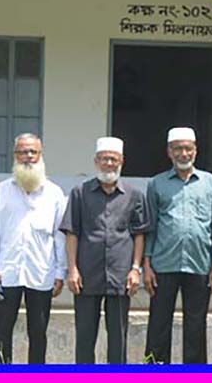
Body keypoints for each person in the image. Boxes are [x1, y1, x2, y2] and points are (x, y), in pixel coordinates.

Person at [60, 136, 149, 364]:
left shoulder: (134, 195)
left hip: (120, 276)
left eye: (113, 159)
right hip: (86, 275)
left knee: (118, 339)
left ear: (121, 161)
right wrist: (72, 269)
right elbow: (72, 232)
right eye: (104, 159)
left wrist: (135, 269)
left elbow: (139, 234)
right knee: (85, 337)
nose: (109, 163)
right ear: (96, 161)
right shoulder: (80, 193)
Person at [0, 133, 67, 364]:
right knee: (2, 332)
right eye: (23, 152)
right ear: (15, 155)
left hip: (42, 272)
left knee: (38, 334)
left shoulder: (54, 193)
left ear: (40, 155)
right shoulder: (0, 191)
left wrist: (60, 272)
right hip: (6, 273)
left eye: (33, 152)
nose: (28, 156)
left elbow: (59, 237)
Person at [143, 127, 212, 364]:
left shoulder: (210, 183)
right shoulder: (156, 183)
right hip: (163, 264)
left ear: (195, 150)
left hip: (199, 264)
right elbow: (151, 226)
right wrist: (146, 265)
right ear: (169, 152)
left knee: (196, 325)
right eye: (177, 148)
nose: (183, 153)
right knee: (158, 324)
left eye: (188, 148)